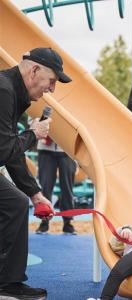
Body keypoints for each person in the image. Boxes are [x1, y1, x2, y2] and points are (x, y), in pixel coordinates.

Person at [0, 47, 71, 299]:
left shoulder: (12, 90)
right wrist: (34, 134)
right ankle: (7, 283)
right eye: (52, 81)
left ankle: (8, 283)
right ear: (34, 70)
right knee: (12, 204)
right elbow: (5, 151)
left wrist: (35, 194)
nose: (51, 89)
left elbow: (10, 153)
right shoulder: (4, 90)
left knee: (16, 202)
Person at [35, 138, 77, 235]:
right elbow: (31, 122)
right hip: (45, 149)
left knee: (68, 188)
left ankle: (68, 223)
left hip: (68, 148)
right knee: (45, 187)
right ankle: (44, 221)